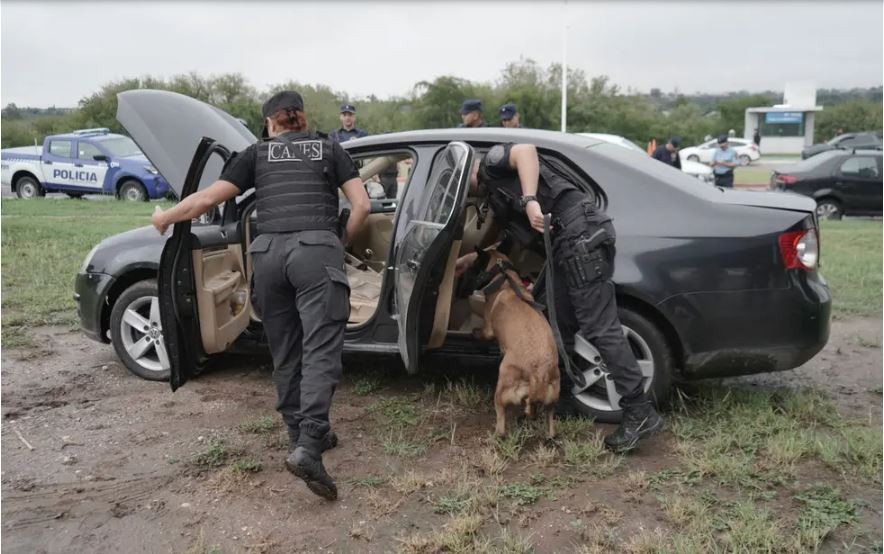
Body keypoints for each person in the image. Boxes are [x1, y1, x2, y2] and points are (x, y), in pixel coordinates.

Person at [150, 91, 371, 501]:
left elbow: (207, 200)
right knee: (320, 350)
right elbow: (361, 205)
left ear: (270, 123)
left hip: (267, 257)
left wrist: (165, 216)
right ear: (302, 120)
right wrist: (338, 243)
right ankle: (311, 441)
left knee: (286, 350)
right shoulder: (329, 149)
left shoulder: (257, 153)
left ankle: (298, 439)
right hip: (316, 253)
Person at [455, 143, 664, 453]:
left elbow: (525, 150)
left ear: (465, 171)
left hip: (581, 238)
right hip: (567, 247)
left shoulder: (492, 162)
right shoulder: (494, 196)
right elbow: (504, 238)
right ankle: (559, 396)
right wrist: (475, 257)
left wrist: (529, 201)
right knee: (552, 316)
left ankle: (639, 410)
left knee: (599, 327)